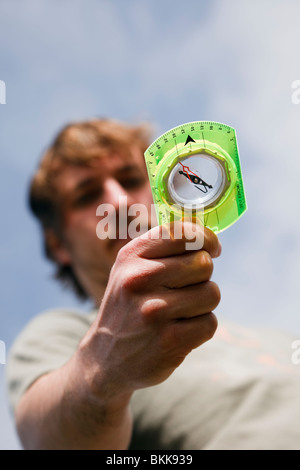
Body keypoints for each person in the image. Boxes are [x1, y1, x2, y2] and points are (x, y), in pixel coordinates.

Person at [6, 118, 300, 450]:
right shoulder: (60, 334)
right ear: (57, 244)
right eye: (87, 196)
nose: (119, 204)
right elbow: (46, 440)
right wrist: (101, 368)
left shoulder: (280, 338)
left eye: (131, 180)